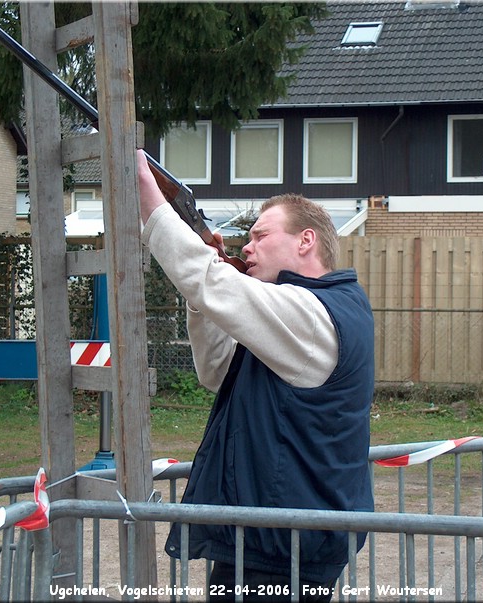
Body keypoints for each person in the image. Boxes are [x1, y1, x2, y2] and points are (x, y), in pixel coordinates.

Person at [137, 149, 375, 601]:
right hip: (271, 536)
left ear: (306, 241)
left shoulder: (314, 312)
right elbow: (217, 370)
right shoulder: (305, 312)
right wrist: (202, 300)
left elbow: (212, 283)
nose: (247, 246)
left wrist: (150, 200)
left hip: (285, 545)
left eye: (261, 235)